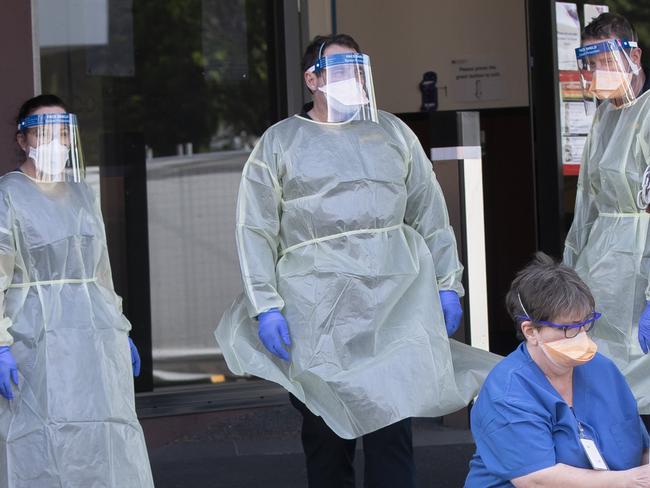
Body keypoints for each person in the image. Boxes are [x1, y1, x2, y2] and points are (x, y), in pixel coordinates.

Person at [216, 34, 499, 487]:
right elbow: (255, 229)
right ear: (313, 78)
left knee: (392, 433)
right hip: (318, 311)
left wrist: (448, 284)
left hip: (392, 306)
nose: (353, 79)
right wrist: (265, 305)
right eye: (340, 68)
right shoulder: (280, 143)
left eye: (357, 68)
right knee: (328, 434)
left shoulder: (392, 133)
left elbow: (430, 212)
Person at [0, 95, 154, 487]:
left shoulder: (82, 194)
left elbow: (100, 272)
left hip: (94, 342)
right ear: (22, 140)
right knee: (42, 443)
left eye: (64, 133)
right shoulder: (8, 196)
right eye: (45, 131)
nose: (57, 141)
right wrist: (0, 345)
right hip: (34, 344)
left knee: (101, 440)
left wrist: (121, 327)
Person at [466, 253, 650, 487]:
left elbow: (641, 447)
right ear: (531, 331)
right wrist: (628, 481)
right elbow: (536, 478)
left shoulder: (603, 370)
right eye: (569, 328)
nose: (581, 335)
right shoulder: (508, 393)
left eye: (586, 323)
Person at [563, 12, 650, 422]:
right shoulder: (604, 116)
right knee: (608, 390)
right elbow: (587, 207)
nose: (597, 73)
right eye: (591, 64)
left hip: (640, 267)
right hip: (604, 270)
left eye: (605, 61)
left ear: (633, 55)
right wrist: (567, 277)